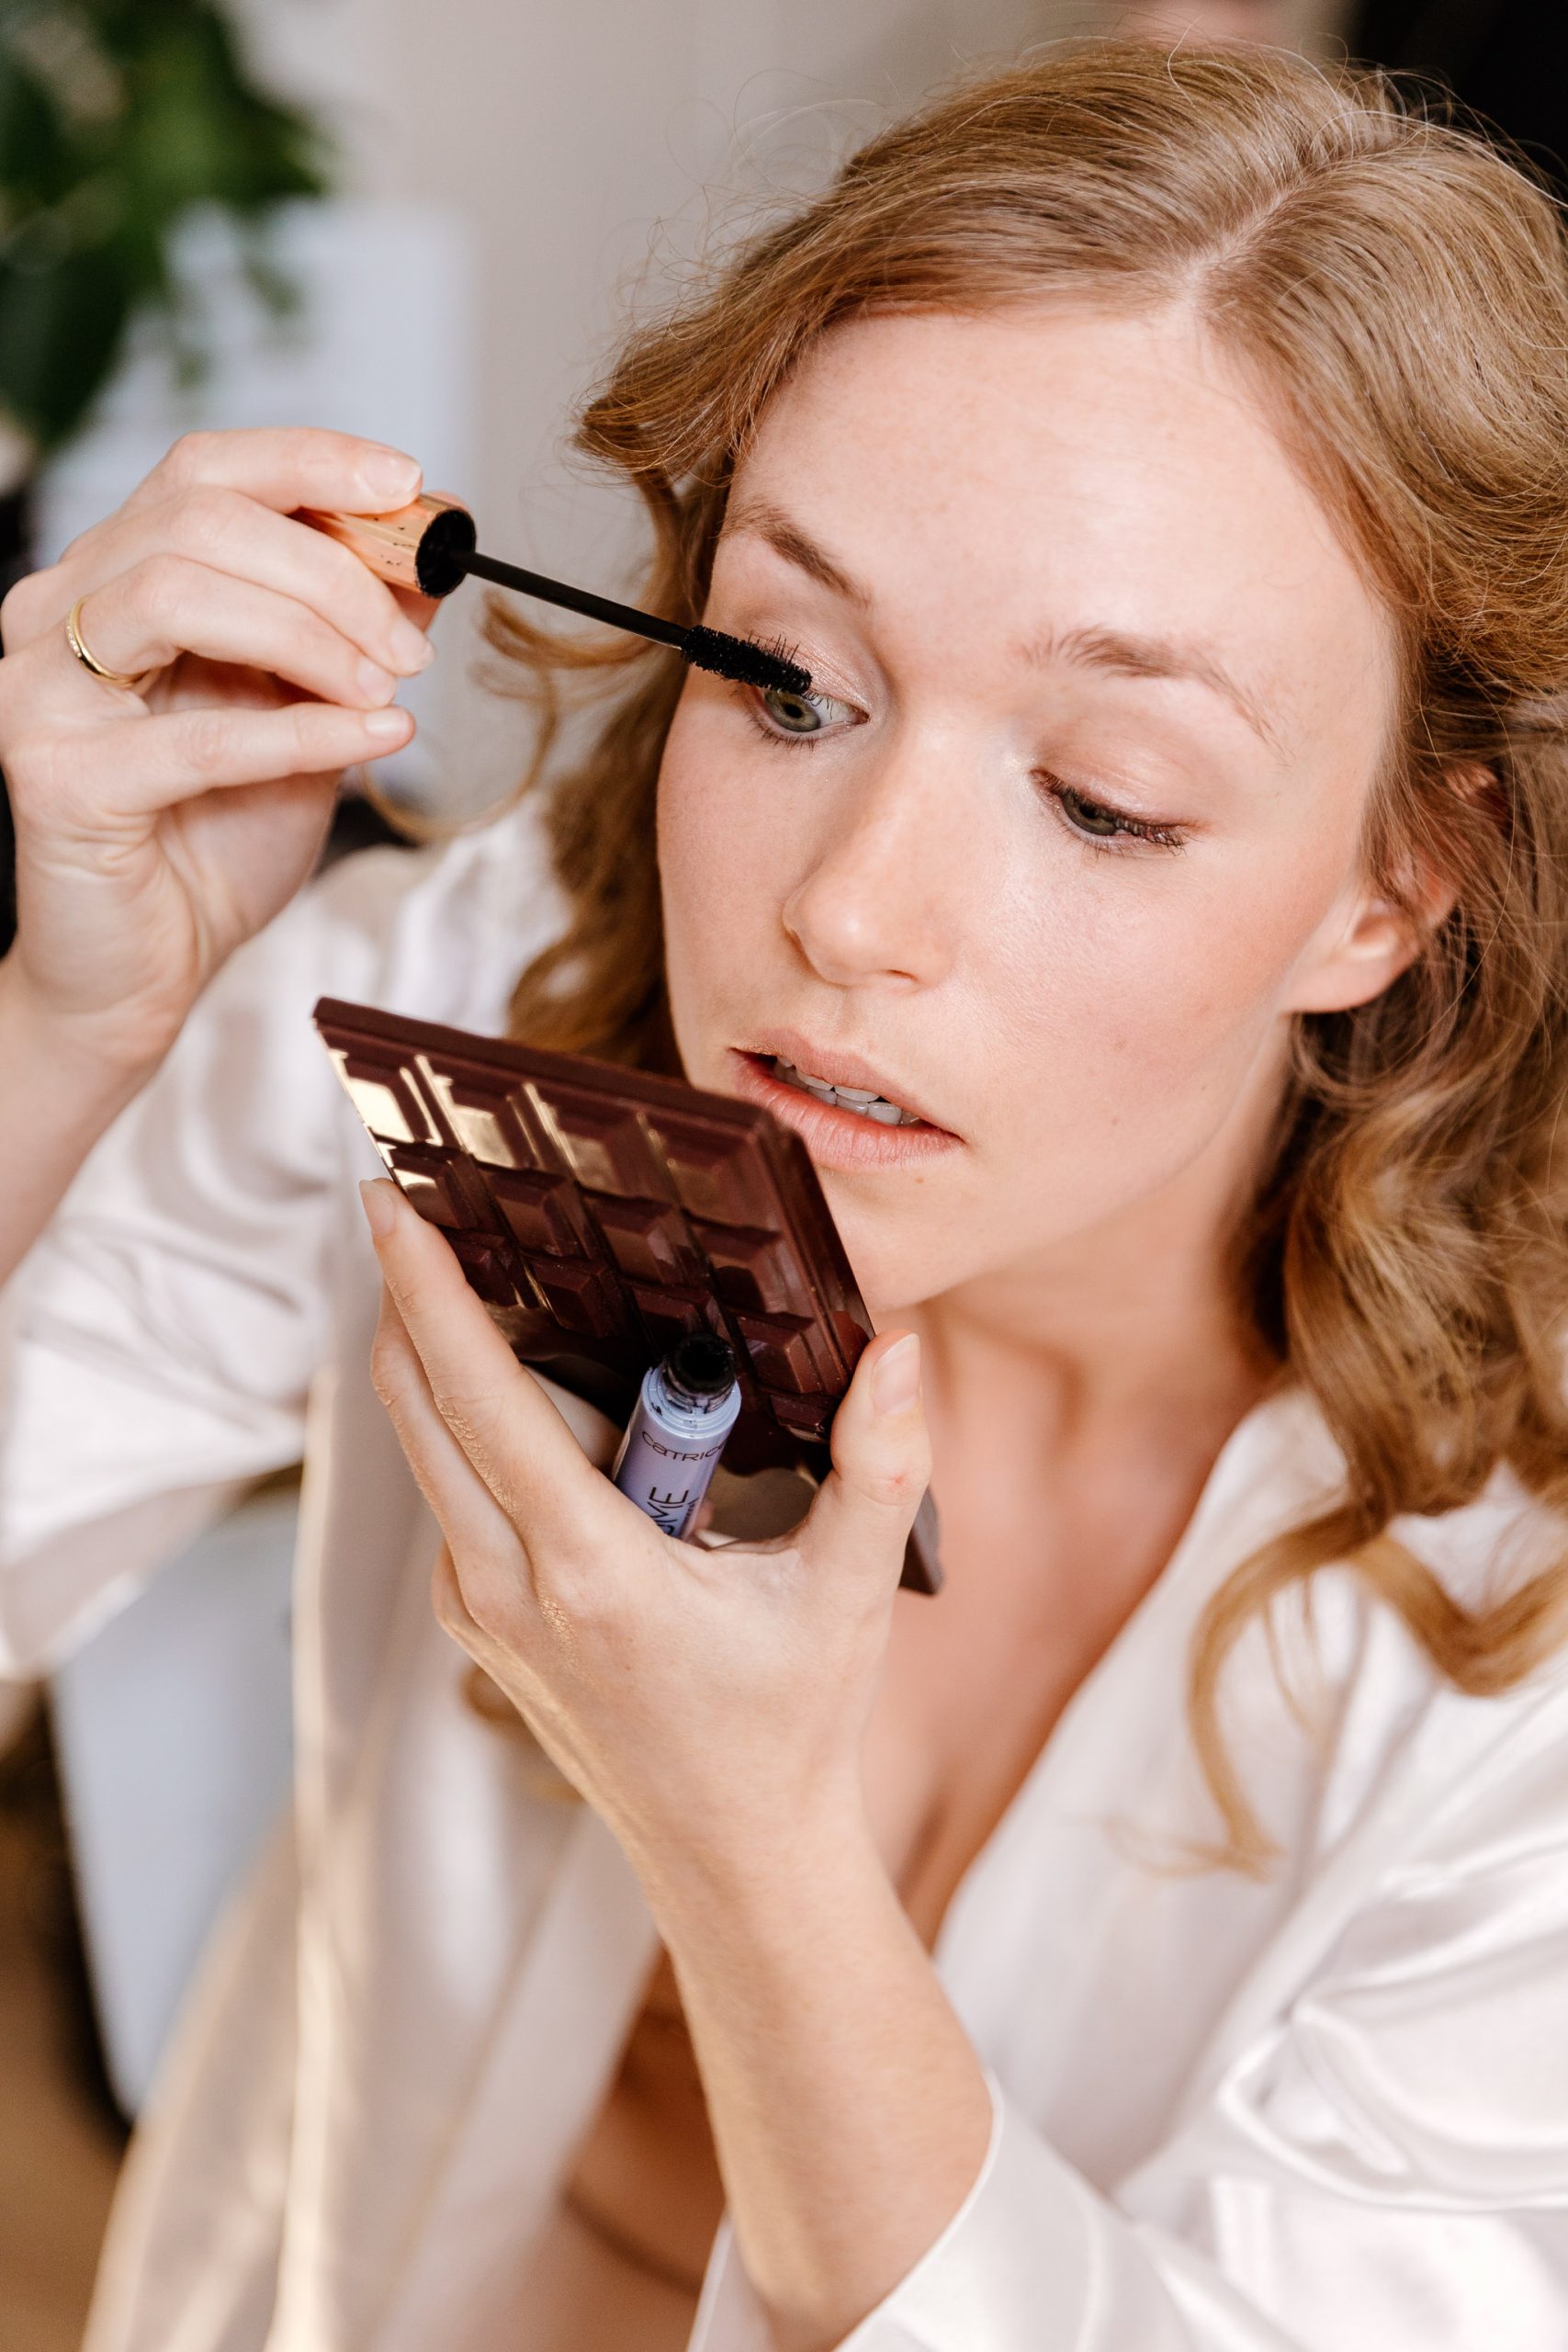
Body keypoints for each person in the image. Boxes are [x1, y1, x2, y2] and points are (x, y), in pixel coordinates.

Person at [3, 39, 1568, 2352]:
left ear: (1386, 888)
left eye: (1106, 798)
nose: (850, 913)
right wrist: (67, 1024)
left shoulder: (1514, 1618)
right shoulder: (466, 1014)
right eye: (791, 680)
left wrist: (742, 1848)